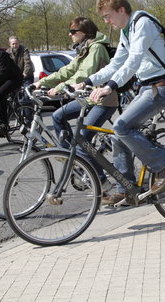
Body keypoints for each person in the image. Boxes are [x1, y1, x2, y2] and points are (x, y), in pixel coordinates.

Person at [76, 0, 165, 204]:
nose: (106, 21)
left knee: (122, 127)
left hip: (162, 88)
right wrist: (88, 81)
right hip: (146, 88)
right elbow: (116, 64)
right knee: (117, 134)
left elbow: (134, 60)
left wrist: (111, 86)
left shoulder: (142, 23)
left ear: (121, 10)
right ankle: (127, 188)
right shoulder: (126, 31)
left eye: (107, 16)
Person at [33, 17, 118, 194]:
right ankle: (73, 160)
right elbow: (68, 70)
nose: (70, 35)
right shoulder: (84, 48)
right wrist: (43, 82)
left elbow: (83, 74)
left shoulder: (96, 48)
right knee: (58, 116)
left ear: (85, 32)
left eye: (73, 32)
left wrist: (59, 88)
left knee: (82, 139)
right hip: (87, 99)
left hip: (103, 100)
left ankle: (102, 182)